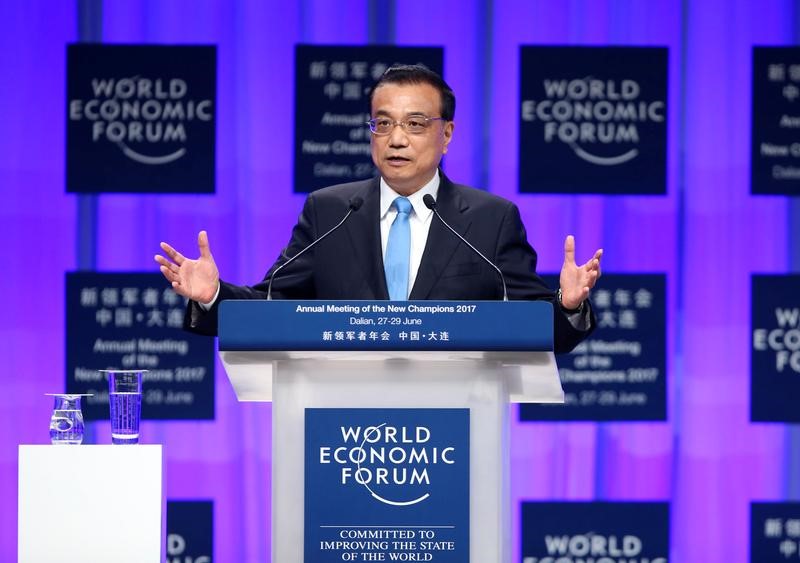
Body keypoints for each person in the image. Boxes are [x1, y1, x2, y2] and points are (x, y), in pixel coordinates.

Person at [155, 64, 602, 354]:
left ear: (447, 134)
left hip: (454, 425)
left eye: (415, 124)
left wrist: (565, 305)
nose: (397, 138)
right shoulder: (330, 212)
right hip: (344, 432)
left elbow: (536, 326)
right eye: (383, 123)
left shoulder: (489, 220)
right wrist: (214, 296)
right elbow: (271, 306)